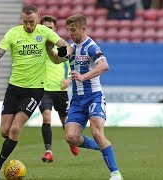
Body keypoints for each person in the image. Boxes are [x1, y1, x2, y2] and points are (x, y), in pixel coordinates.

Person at [0, 4, 73, 180]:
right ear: (21, 19)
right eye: (25, 22)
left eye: (32, 22)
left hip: (34, 89)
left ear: (38, 18)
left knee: (15, 129)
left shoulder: (45, 32)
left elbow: (66, 46)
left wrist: (64, 51)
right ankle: (9, 148)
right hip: (14, 88)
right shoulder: (13, 33)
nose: (29, 26)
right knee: (5, 131)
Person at [46, 14, 123, 180]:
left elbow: (104, 65)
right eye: (68, 30)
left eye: (73, 30)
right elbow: (56, 59)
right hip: (77, 101)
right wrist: (48, 48)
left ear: (83, 28)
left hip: (94, 96)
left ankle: (115, 173)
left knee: (96, 131)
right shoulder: (71, 47)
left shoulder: (91, 47)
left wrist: (84, 76)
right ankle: (101, 146)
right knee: (71, 137)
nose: (70, 34)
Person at [38, 15, 79, 163]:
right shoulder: (37, 48)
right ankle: (48, 151)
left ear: (55, 30)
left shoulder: (61, 49)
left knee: (65, 122)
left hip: (60, 90)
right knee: (46, 117)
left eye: (50, 28)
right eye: (45, 28)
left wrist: (69, 79)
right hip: (43, 89)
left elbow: (71, 65)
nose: (47, 30)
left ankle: (71, 141)